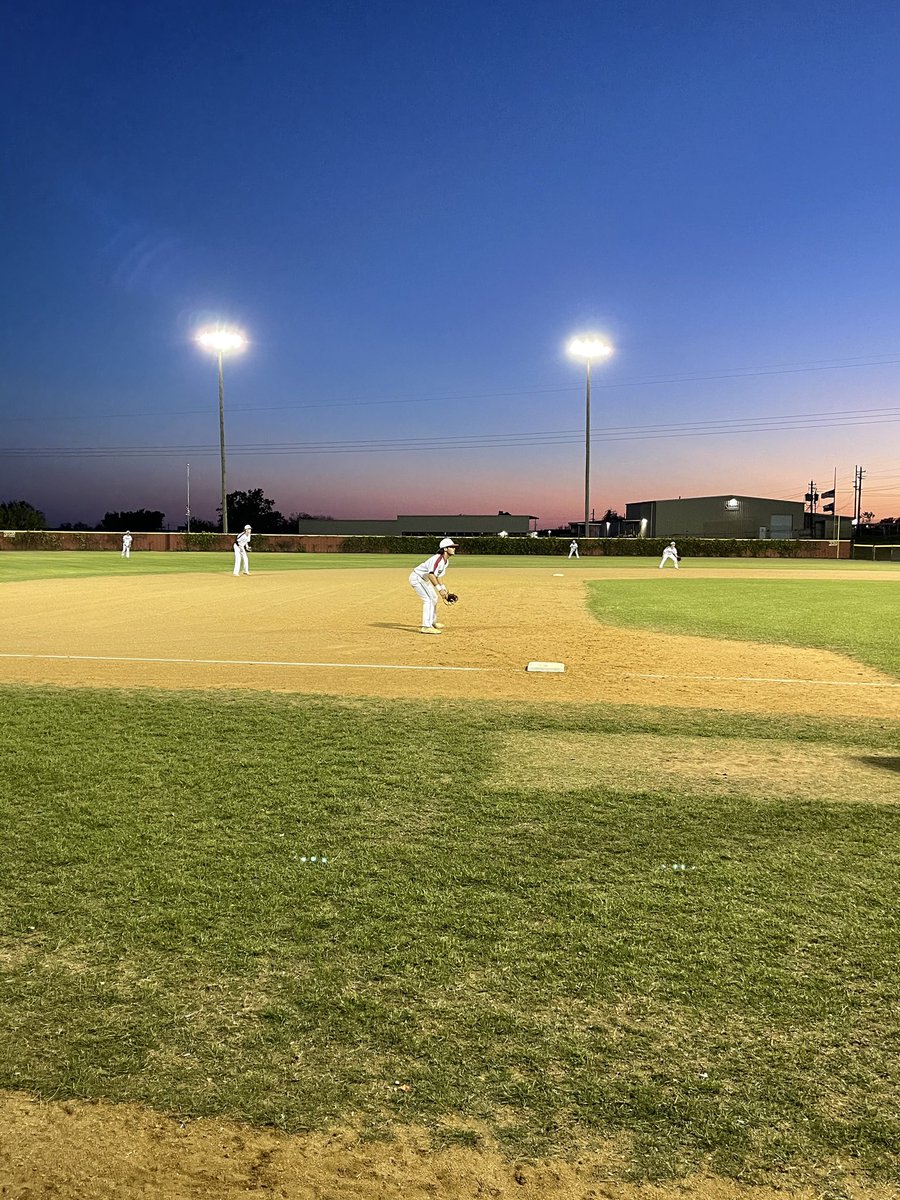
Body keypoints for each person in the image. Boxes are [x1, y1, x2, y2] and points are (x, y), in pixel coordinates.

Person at [409, 537, 457, 634]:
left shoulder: (445, 561)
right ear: (445, 549)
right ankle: (426, 626)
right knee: (428, 599)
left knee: (434, 598)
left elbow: (438, 576)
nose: (454, 548)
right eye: (451, 547)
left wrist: (444, 589)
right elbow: (431, 574)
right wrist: (439, 589)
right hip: (417, 578)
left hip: (423, 579)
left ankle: (432, 622)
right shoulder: (438, 559)